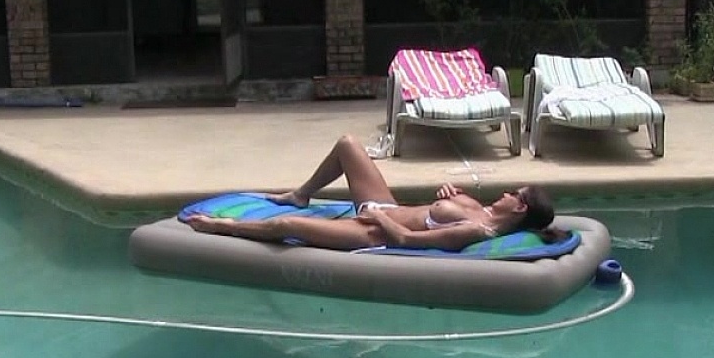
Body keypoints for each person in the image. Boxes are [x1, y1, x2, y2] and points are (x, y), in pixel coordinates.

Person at [182, 134, 557, 251]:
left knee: (286, 225)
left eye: (514, 193)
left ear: (520, 207)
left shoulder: (479, 230)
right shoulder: (478, 208)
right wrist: (446, 195)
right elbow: (439, 207)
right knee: (348, 145)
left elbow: (408, 240)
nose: (506, 192)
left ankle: (221, 226)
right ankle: (302, 193)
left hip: (372, 231)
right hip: (383, 207)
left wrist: (377, 216)